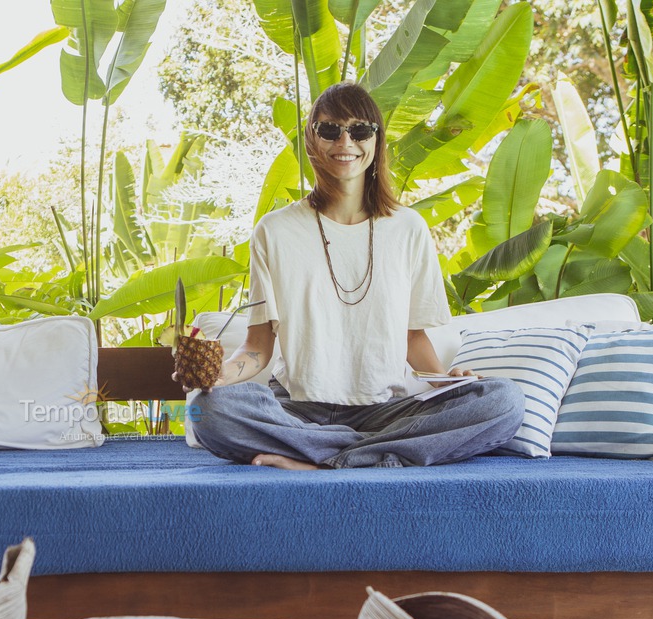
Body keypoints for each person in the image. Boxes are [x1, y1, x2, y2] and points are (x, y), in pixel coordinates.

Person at [186, 83, 524, 470]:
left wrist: (447, 379)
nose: (345, 141)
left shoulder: (408, 227)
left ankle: (323, 459)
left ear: (376, 141)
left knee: (503, 401)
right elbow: (258, 345)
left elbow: (413, 336)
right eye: (330, 130)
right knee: (204, 412)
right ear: (313, 139)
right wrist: (220, 373)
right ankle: (371, 455)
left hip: (386, 412)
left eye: (360, 130)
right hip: (297, 411)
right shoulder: (275, 230)